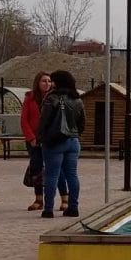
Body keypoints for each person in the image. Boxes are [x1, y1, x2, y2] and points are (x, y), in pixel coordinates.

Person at [37, 69, 85, 219]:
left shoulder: (51, 98)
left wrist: (41, 137)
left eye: (52, 81)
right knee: (72, 175)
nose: (51, 83)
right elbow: (82, 123)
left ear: (57, 82)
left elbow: (43, 120)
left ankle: (48, 210)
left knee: (52, 175)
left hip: (54, 142)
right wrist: (75, 134)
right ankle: (73, 208)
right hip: (73, 141)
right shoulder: (77, 99)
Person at [20, 71, 70, 213]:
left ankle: (64, 198)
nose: (47, 83)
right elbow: (24, 120)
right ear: (37, 83)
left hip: (50, 140)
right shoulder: (30, 98)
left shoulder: (56, 97)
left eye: (49, 81)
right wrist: (31, 138)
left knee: (56, 168)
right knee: (36, 168)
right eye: (44, 81)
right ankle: (38, 199)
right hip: (34, 141)